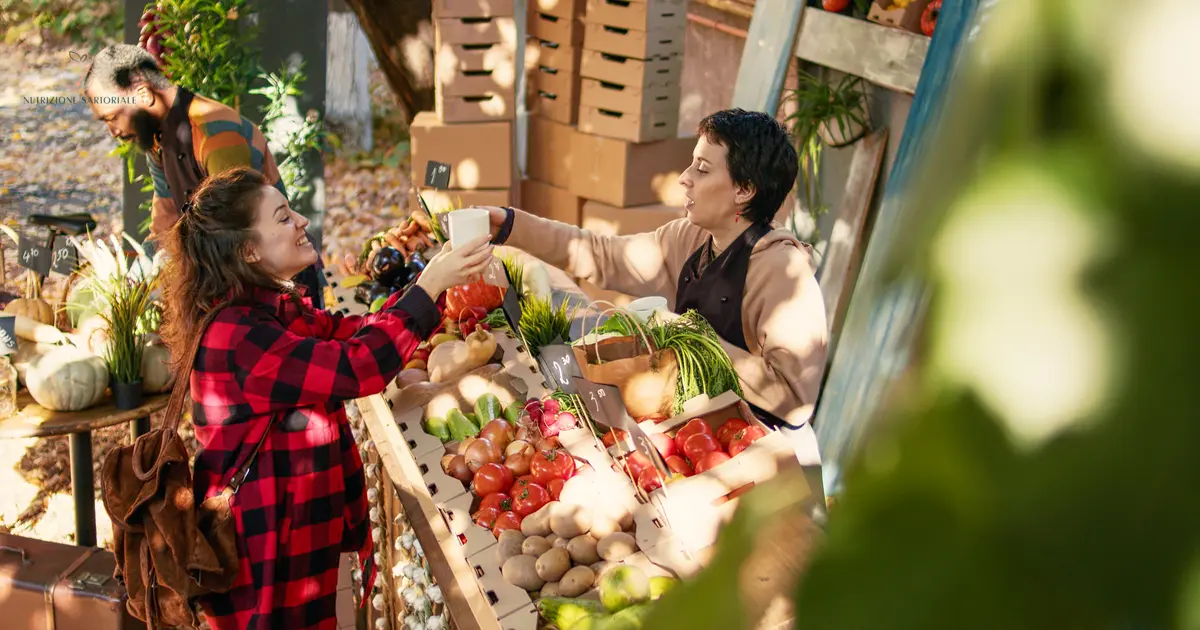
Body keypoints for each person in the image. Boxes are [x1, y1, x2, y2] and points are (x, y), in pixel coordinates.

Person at [158, 166, 494, 629]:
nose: (302, 221)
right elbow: (355, 367)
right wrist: (429, 286)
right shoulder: (238, 336)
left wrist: (429, 297)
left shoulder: (270, 307)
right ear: (249, 249)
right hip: (266, 550)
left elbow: (349, 336)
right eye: (282, 217)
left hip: (292, 535)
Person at [484, 108, 827, 427]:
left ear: (745, 189)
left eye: (702, 169)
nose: (683, 178)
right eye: (691, 164)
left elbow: (795, 402)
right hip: (693, 426)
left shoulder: (785, 273)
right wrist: (512, 226)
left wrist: (689, 334)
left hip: (757, 450)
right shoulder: (690, 238)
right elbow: (602, 254)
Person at [83, 44, 327, 307]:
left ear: (143, 93)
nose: (113, 131)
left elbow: (236, 232)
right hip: (236, 282)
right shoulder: (158, 139)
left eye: (113, 117)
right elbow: (166, 222)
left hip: (278, 283)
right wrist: (138, 278)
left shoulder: (214, 131)